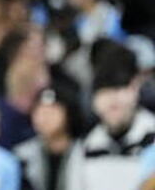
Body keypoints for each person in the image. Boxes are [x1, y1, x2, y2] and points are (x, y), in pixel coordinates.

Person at [66, 43, 155, 190]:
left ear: (136, 87)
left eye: (120, 87)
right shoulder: (85, 147)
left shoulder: (151, 139)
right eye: (104, 90)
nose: (112, 100)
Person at [14, 88, 81, 190]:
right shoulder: (22, 155)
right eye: (39, 112)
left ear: (68, 114)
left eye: (51, 111)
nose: (44, 118)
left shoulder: (86, 152)